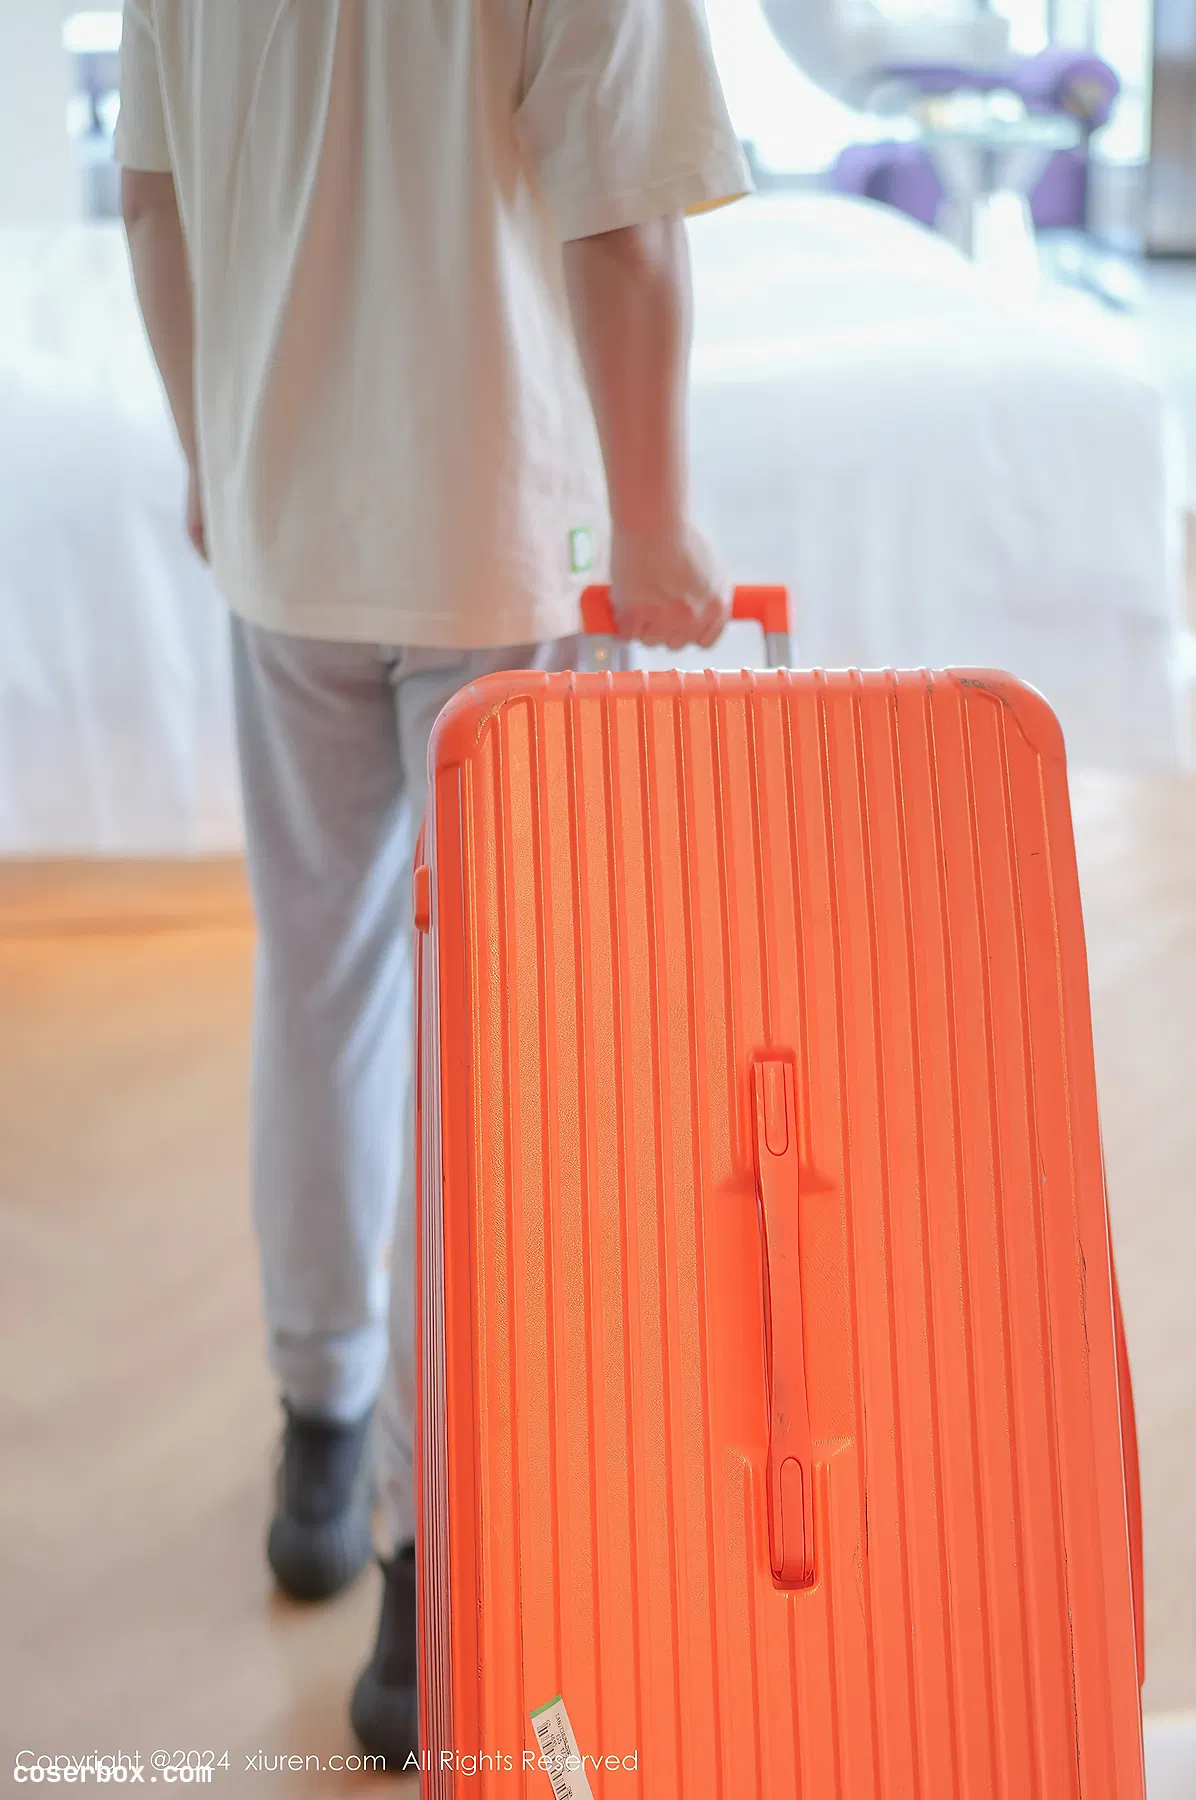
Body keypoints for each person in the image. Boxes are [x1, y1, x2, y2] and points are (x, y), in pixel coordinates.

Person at [115, 0, 750, 1765]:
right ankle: (422, 1560)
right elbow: (625, 225)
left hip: (288, 540)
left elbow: (153, 202)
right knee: (489, 1056)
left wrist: (212, 452)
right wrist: (657, 518)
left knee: (320, 986)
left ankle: (319, 1438)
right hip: (504, 545)